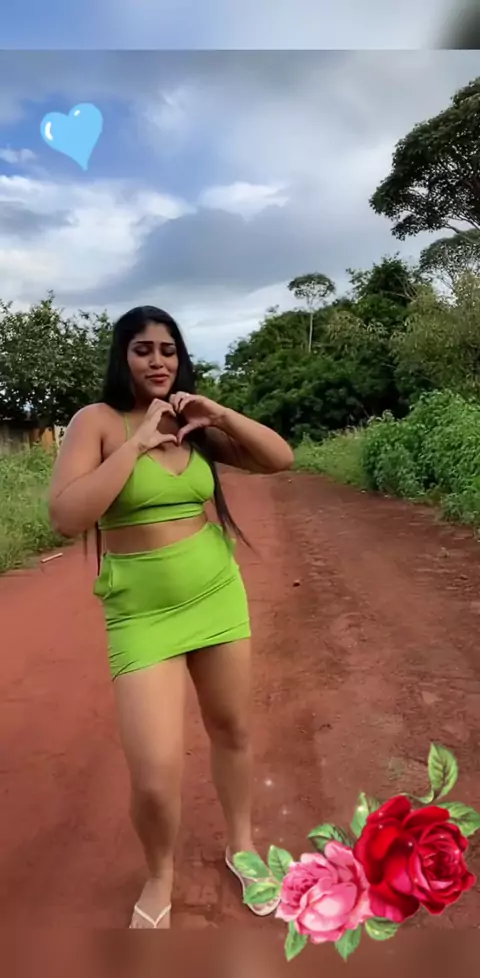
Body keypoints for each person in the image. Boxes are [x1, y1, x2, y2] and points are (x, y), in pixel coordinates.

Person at [48, 305, 294, 929]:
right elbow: (67, 516)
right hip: (141, 616)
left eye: (168, 349)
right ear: (122, 357)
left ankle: (242, 846)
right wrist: (137, 443)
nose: (158, 361)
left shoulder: (193, 421)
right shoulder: (96, 422)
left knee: (232, 729)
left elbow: (279, 458)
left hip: (216, 594)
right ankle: (160, 873)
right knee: (155, 773)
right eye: (143, 349)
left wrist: (219, 414)